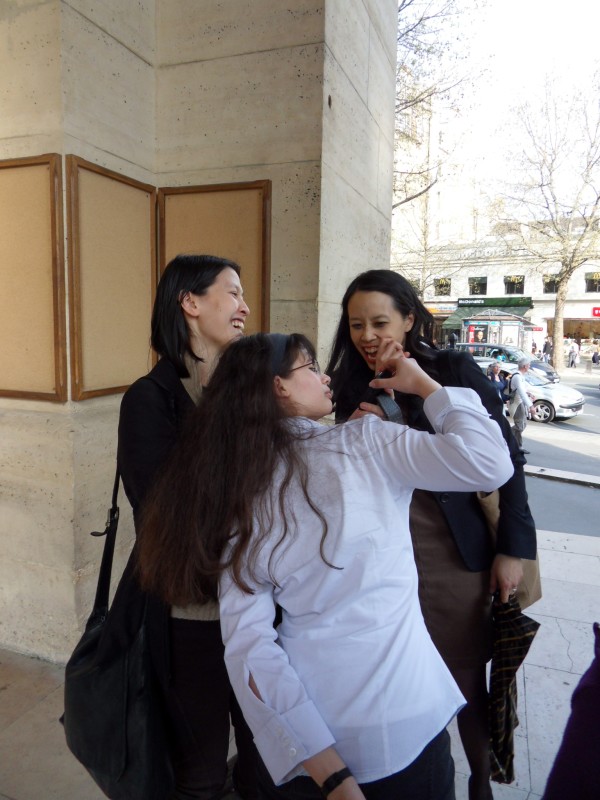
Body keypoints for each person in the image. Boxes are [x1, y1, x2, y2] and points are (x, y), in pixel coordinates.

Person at [136, 332, 515, 800]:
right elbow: (489, 463)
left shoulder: (238, 489)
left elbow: (249, 646)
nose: (325, 377)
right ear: (279, 386)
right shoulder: (368, 443)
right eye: (311, 367)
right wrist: (425, 386)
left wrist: (332, 776)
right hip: (405, 718)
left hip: (313, 739)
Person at [325, 270, 537, 800]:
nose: (367, 335)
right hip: (382, 552)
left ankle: (480, 784)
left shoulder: (450, 369)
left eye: (379, 322)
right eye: (356, 324)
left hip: (449, 549)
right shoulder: (344, 381)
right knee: (397, 675)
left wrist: (513, 549)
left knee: (463, 678)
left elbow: (506, 460)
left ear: (409, 319)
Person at [117, 254, 257, 800]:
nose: (245, 307)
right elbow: (161, 512)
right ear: (190, 302)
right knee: (199, 773)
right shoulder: (149, 398)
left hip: (258, 613)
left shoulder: (246, 391)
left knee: (266, 758)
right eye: (233, 292)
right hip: (192, 618)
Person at [508, 358, 534, 452]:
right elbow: (521, 392)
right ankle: (515, 443)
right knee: (520, 426)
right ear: (525, 366)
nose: (529, 366)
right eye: (529, 365)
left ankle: (514, 442)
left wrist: (529, 394)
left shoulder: (521, 376)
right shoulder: (517, 377)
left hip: (520, 403)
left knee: (523, 424)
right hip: (516, 404)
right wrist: (531, 406)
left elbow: (523, 390)